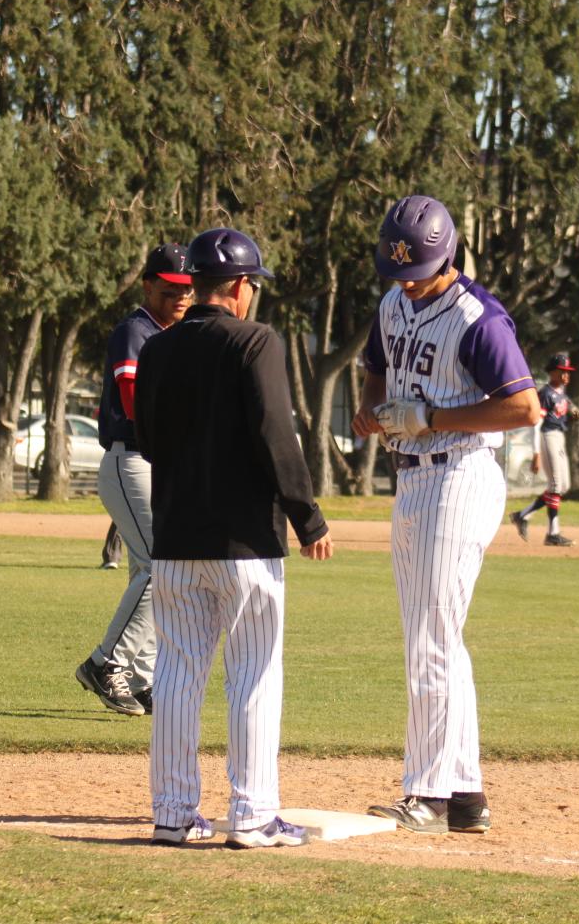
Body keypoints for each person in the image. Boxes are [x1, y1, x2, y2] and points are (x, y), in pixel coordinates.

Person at [136, 227, 333, 849]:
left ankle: (171, 813)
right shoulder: (257, 341)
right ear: (243, 288)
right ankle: (251, 815)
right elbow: (277, 436)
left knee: (176, 673)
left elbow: (146, 440)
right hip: (246, 542)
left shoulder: (159, 348)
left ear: (195, 283)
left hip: (174, 536)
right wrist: (308, 517)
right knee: (253, 673)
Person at [353, 195, 542, 835]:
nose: (406, 279)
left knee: (430, 640)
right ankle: (464, 793)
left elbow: (524, 409)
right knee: (437, 639)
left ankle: (428, 791)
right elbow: (377, 369)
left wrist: (432, 417)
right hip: (410, 479)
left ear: (447, 256)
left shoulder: (476, 318)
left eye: (418, 268)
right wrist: (371, 408)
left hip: (458, 474)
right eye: (398, 268)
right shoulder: (392, 303)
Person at [74, 243, 194, 718]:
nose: (180, 299)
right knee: (160, 567)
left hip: (157, 464)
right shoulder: (136, 330)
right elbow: (131, 402)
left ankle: (141, 677)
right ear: (148, 285)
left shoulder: (173, 335)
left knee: (147, 571)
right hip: (132, 461)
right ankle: (107, 663)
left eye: (187, 290)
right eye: (170, 290)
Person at [509, 353, 579, 546]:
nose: (566, 375)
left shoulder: (561, 393)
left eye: (567, 372)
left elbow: (567, 410)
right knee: (556, 486)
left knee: (562, 487)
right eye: (562, 371)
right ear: (553, 372)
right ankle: (552, 533)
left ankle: (522, 515)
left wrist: (573, 413)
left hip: (559, 437)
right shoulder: (545, 394)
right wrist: (536, 453)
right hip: (548, 437)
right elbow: (536, 424)